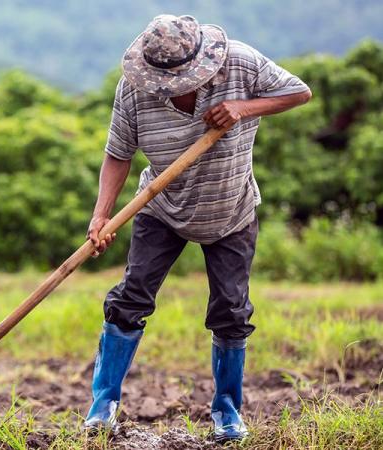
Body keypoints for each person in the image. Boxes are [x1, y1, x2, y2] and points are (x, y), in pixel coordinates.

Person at [84, 14, 311, 442]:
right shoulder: (134, 90)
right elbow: (118, 153)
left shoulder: (241, 63)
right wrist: (101, 215)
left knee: (230, 311)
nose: (172, 88)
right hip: (161, 207)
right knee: (130, 298)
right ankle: (102, 407)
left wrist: (243, 108)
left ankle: (227, 412)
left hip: (231, 209)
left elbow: (299, 92)